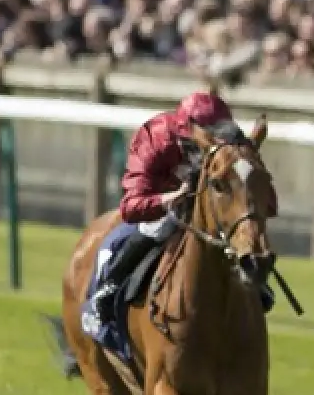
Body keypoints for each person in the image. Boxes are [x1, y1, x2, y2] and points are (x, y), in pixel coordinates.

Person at [87, 90, 239, 327]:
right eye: (211, 133)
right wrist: (171, 198)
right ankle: (109, 286)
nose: (218, 141)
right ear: (190, 128)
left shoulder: (229, 140)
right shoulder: (155, 139)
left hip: (208, 204)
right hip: (163, 203)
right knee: (158, 227)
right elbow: (131, 207)